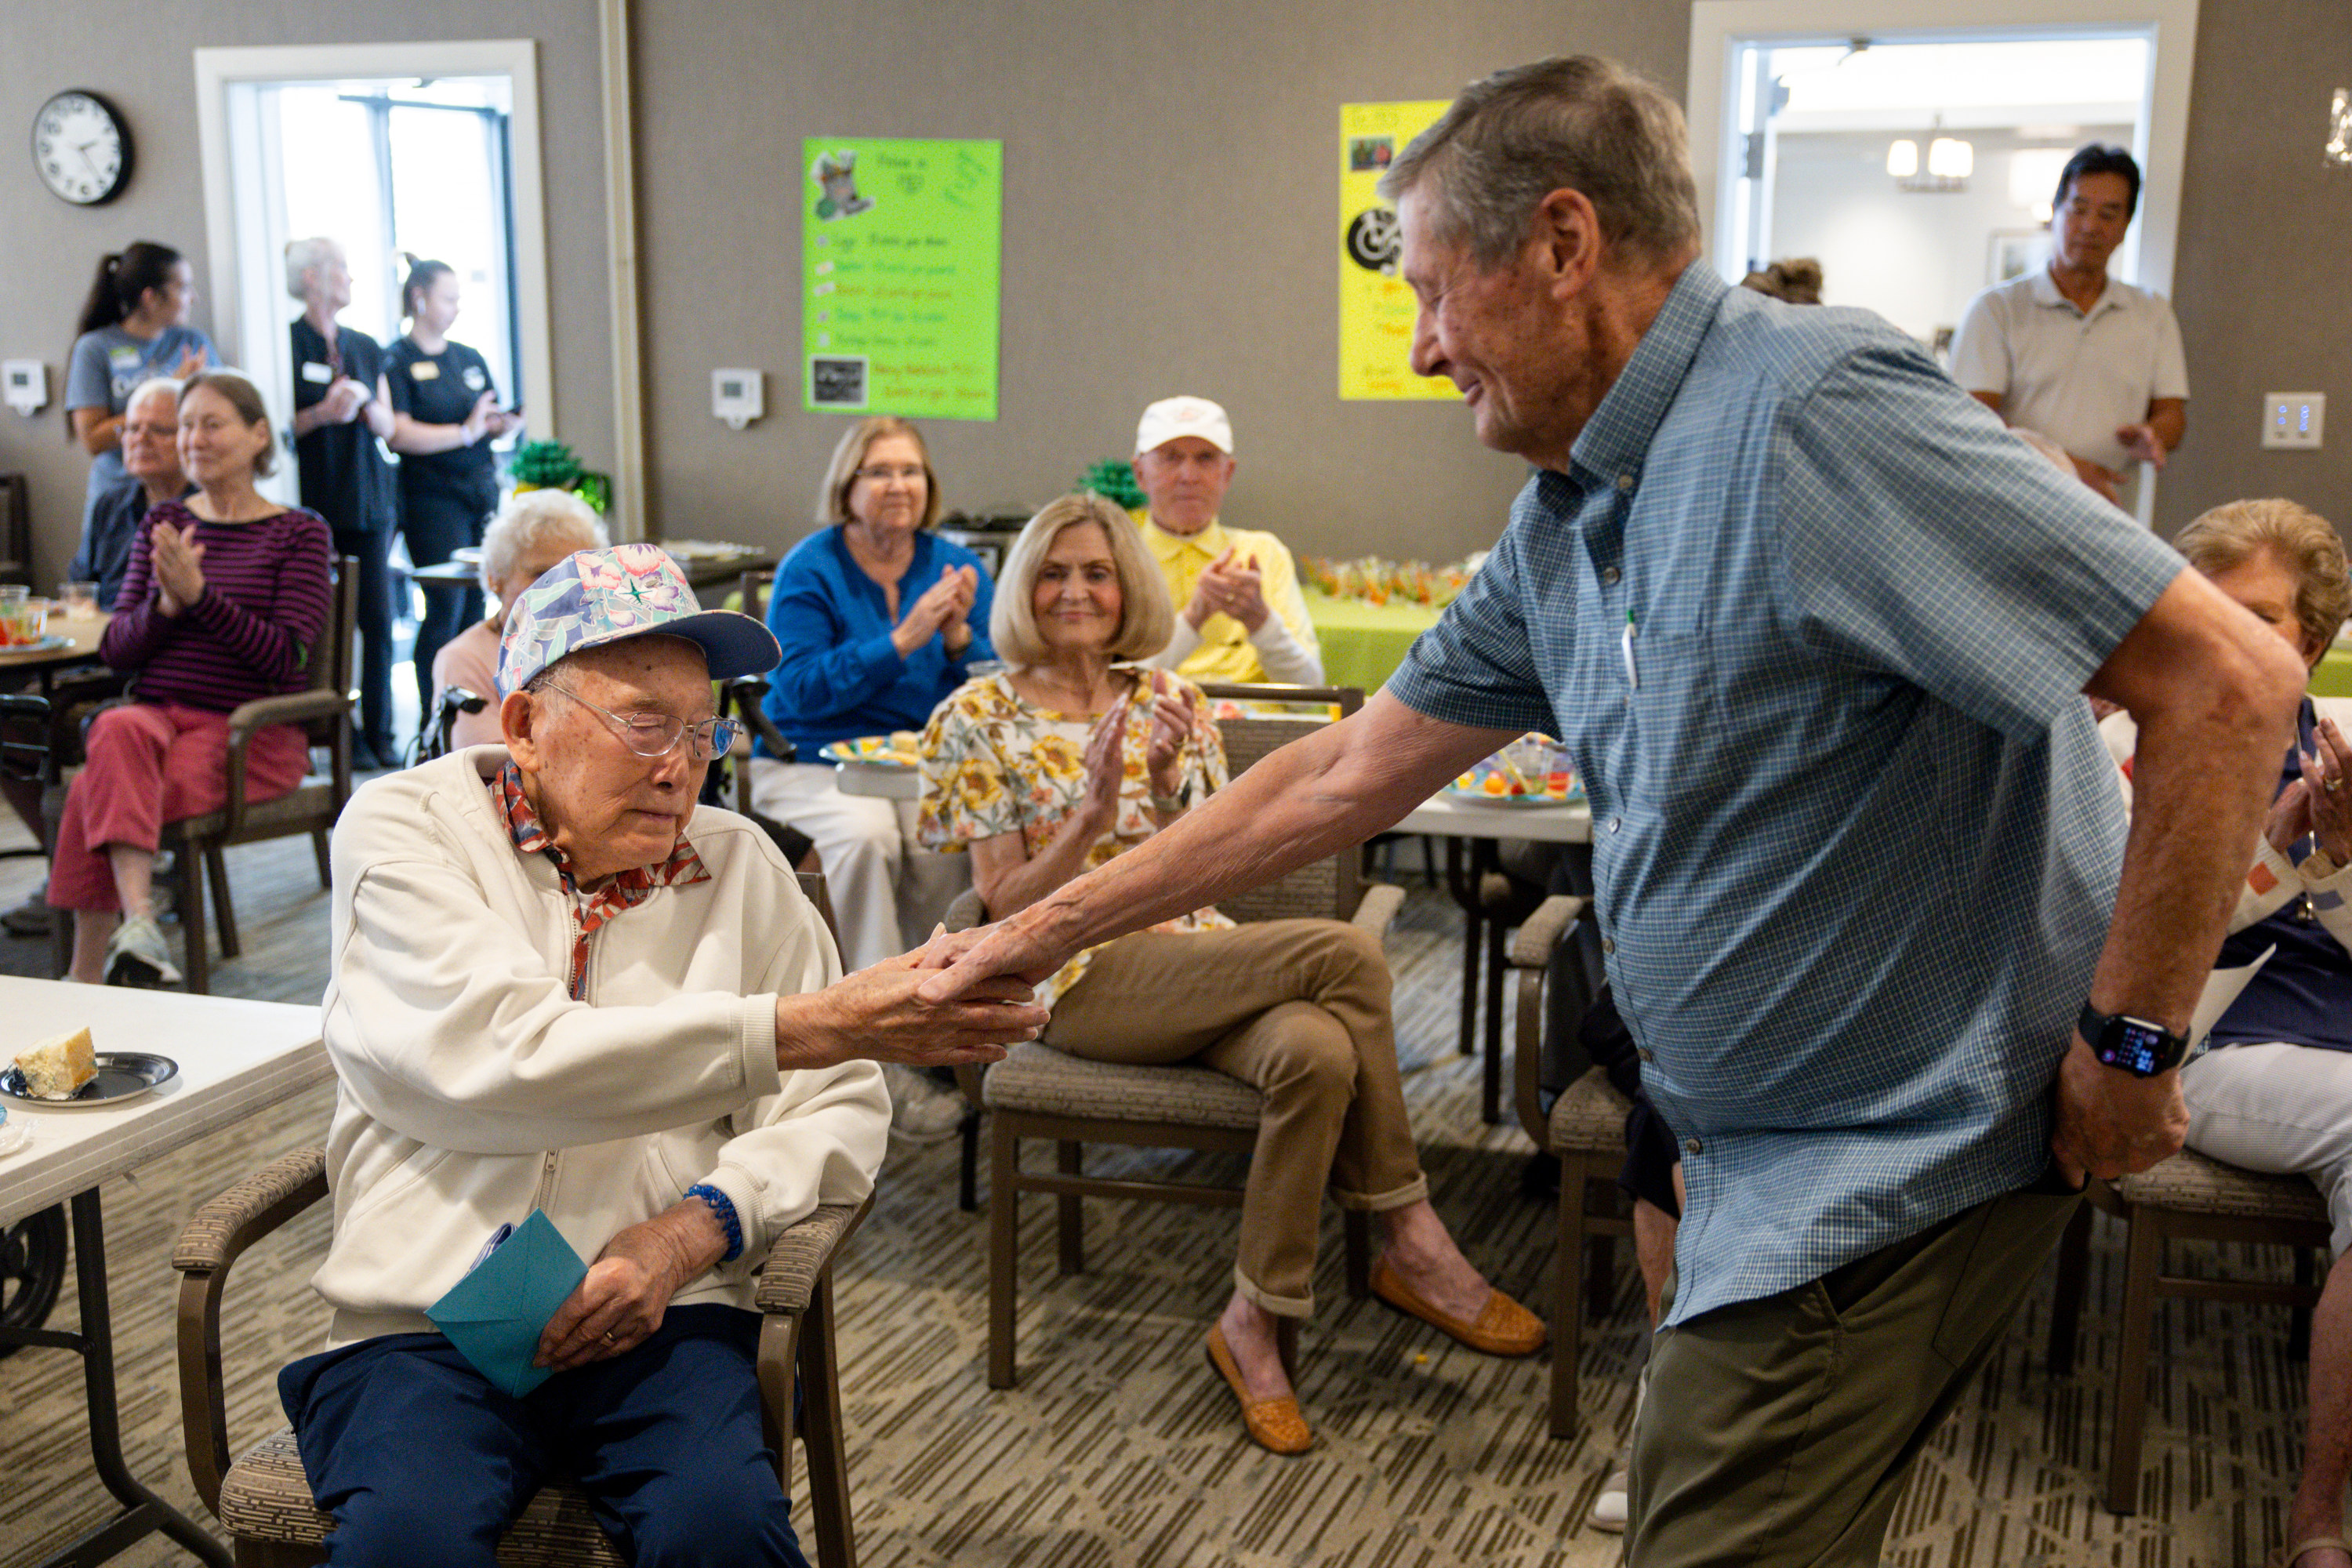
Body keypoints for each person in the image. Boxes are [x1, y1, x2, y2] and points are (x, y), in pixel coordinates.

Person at [920, 56, 2305, 1566]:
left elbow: (2229, 688)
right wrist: (1028, 934)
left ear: (1566, 246)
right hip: (1753, 1157)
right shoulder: (1573, 509)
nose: (1430, 344)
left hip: (1889, 1161)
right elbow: (1339, 770)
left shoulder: (1811, 411)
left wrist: (2133, 1045)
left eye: (1440, 294)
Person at [281, 541, 1047, 1568]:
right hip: (428, 1317)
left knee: (724, 1537)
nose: (683, 763)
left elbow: (836, 1106)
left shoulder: (740, 864)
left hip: (665, 1312)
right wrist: (812, 1022)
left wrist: (694, 1232)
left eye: (703, 729)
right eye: (645, 723)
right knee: (405, 1544)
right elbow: (508, 1058)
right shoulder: (407, 830)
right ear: (525, 727)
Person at [917, 492, 1541, 1456]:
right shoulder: (973, 715)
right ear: (1021, 587)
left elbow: (1210, 862)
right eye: (1053, 571)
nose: (1077, 590)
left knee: (1317, 1049)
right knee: (1343, 949)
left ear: (1130, 586)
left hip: (1195, 957)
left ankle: (1255, 1322)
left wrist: (1163, 796)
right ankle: (1409, 1234)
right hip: (1074, 977)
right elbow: (1000, 908)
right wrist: (1086, 818)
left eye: (1097, 571)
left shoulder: (1176, 700)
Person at [2094, 499, 2352, 1568]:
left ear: (2316, 640)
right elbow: (2139, 954)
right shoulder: (2128, 745)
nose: (2235, 635)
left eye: (2266, 618)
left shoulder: (2340, 750)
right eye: (2214, 607)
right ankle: (2318, 1515)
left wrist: (2341, 861)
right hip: (2225, 1043)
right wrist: (2292, 863)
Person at [749, 418, 993, 1137]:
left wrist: (957, 639)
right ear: (847, 487)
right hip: (814, 759)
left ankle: (940, 1024)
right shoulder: (810, 568)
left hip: (918, 760)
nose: (898, 486)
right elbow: (793, 694)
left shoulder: (951, 562)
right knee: (862, 842)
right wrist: (904, 638)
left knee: (942, 843)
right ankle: (876, 1045)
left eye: (911, 471)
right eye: (880, 471)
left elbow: (988, 686)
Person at [50, 372, 333, 988]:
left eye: (211, 423)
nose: (192, 439)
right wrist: (165, 608)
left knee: (89, 790)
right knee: (118, 727)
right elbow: (119, 649)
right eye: (185, 426)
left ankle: (87, 972)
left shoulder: (299, 531)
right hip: (155, 721)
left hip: (248, 734)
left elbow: (287, 660)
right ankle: (142, 925)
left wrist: (201, 599)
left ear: (258, 434)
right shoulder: (167, 523)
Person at [1951, 144, 2190, 509]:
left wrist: (2153, 434)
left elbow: (2172, 414)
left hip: (2113, 509)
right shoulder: (1997, 309)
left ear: (2126, 226)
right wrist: (2070, 470)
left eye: (2109, 214)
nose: (2091, 227)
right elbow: (1974, 424)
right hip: (2014, 505)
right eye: (2079, 209)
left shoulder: (2152, 313)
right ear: (2055, 213)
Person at [387, 256, 522, 733]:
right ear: (420, 298)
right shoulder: (397, 359)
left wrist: (501, 424)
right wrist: (465, 433)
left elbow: (489, 417)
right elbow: (398, 434)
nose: (456, 308)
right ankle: (434, 722)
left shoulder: (468, 357)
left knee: (476, 606)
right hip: (431, 496)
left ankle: (475, 715)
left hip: (479, 491)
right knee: (443, 606)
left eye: (459, 299)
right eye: (448, 298)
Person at [287, 236, 400, 770]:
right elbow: (281, 426)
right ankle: (338, 732)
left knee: (377, 621)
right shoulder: (286, 342)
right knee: (322, 625)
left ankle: (381, 733)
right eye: (343, 269)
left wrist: (362, 405)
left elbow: (389, 422)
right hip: (314, 505)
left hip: (369, 500)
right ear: (312, 276)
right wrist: (323, 413)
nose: (351, 279)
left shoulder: (364, 344)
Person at [1127, 396, 1323, 687]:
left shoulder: (1263, 553)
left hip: (1254, 723)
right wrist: (1194, 617)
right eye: (1170, 457)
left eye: (1205, 458)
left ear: (1227, 473)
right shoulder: (1115, 555)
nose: (1188, 476)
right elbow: (1102, 689)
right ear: (1140, 473)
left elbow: (1309, 689)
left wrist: (1260, 621)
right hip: (1146, 721)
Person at [430, 489, 607, 753]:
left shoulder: (604, 641)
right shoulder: (464, 659)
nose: (560, 588)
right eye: (541, 573)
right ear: (495, 577)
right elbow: (488, 766)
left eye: (574, 573)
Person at [64, 241, 217, 542]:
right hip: (118, 497)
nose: (193, 298)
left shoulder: (193, 342)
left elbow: (219, 417)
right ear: (150, 297)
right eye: (184, 288)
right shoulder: (95, 348)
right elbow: (92, 439)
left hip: (185, 492)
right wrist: (169, 387)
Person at [73, 376, 194, 610]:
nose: (140, 439)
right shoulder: (109, 504)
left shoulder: (205, 510)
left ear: (188, 437)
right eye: (132, 428)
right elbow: (79, 586)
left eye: (158, 430)